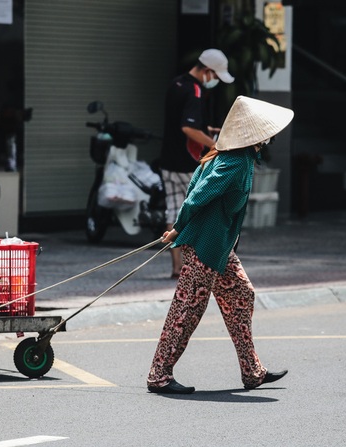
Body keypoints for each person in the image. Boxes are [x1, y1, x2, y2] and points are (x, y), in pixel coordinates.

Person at [147, 96, 295, 394]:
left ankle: (252, 370)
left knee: (242, 293)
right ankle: (159, 375)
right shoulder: (234, 162)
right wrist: (177, 228)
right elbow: (196, 196)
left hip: (220, 247)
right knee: (187, 310)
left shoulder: (237, 157)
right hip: (205, 245)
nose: (271, 135)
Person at [159, 48, 234, 279]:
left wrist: (207, 129)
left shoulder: (176, 84)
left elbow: (178, 122)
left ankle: (176, 267)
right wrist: (215, 145)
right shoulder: (195, 90)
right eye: (215, 76)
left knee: (172, 209)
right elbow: (188, 128)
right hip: (187, 162)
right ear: (207, 70)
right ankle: (191, 266)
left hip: (167, 160)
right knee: (192, 212)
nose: (214, 81)